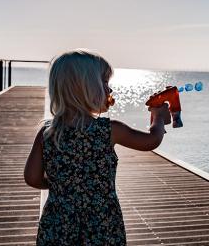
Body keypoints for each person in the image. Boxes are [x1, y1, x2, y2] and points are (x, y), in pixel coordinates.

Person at [24, 49, 171, 245]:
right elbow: (151, 141)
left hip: (58, 225)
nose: (109, 90)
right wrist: (158, 118)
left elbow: (32, 177)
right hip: (103, 225)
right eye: (104, 83)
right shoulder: (109, 130)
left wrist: (61, 186)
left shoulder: (47, 133)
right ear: (85, 88)